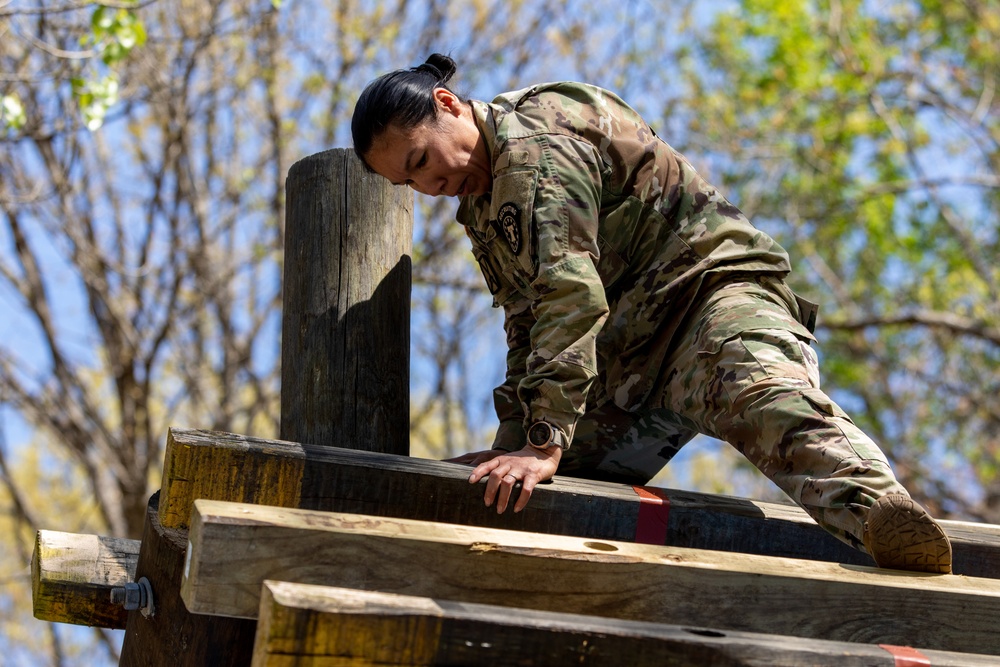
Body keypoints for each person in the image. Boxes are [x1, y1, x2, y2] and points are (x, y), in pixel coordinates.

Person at [351, 53, 953, 573]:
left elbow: (570, 295)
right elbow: (528, 326)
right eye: (412, 182)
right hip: (626, 363)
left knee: (758, 395)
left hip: (707, 301)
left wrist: (541, 439)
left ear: (448, 104)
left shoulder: (539, 143)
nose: (430, 184)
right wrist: (515, 446)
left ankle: (884, 519)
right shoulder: (484, 209)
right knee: (524, 500)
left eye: (422, 160)